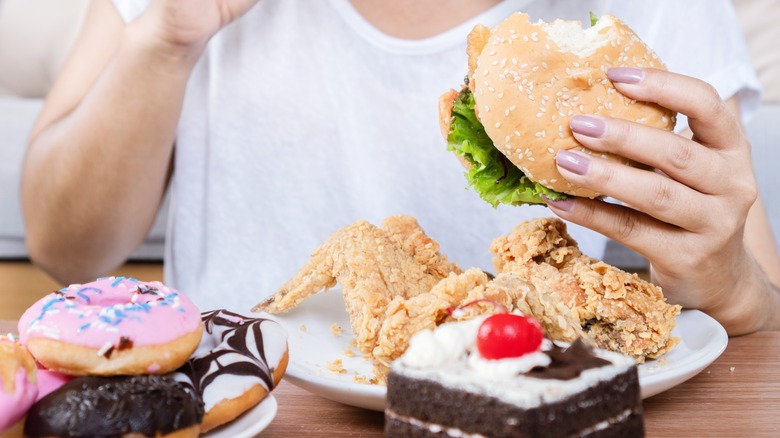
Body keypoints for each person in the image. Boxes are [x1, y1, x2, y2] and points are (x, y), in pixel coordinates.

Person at [21, 0, 780, 335]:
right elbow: (65, 247)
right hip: (237, 410)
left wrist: (732, 288)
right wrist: (165, 38)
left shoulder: (646, 17)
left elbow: (755, 307)